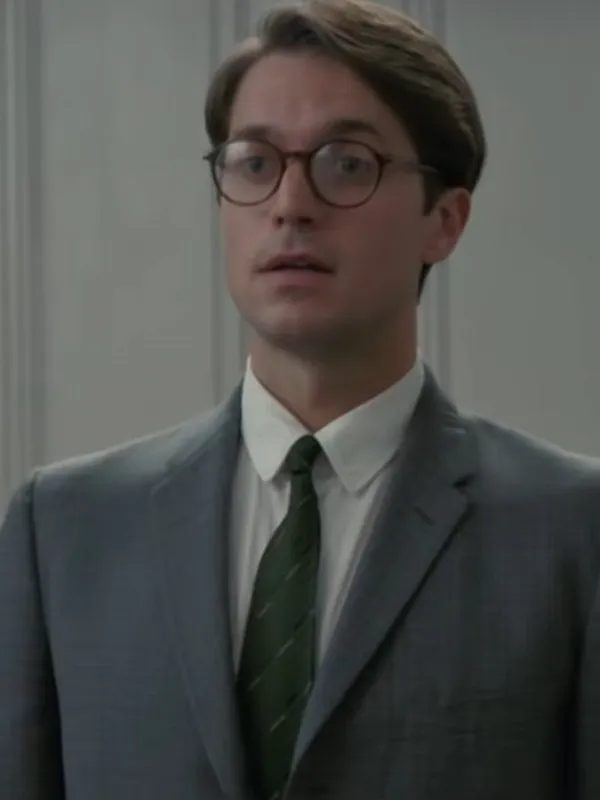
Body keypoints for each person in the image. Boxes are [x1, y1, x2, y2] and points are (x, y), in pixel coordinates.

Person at [1, 0, 599, 797]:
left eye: (346, 164)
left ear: (445, 220)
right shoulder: (65, 530)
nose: (290, 203)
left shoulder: (572, 531)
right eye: (254, 163)